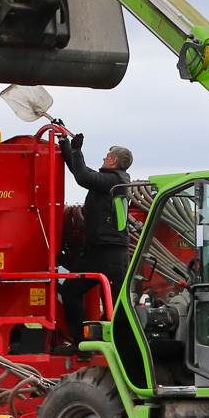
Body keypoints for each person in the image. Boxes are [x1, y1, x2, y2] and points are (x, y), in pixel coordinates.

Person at [58, 140, 135, 338]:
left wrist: (76, 150)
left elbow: (82, 177)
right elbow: (79, 171)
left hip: (108, 253)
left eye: (106, 156)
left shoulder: (113, 181)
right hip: (106, 251)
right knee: (114, 304)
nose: (103, 158)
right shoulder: (113, 179)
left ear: (113, 160)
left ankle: (86, 343)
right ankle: (96, 341)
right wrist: (64, 143)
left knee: (78, 293)